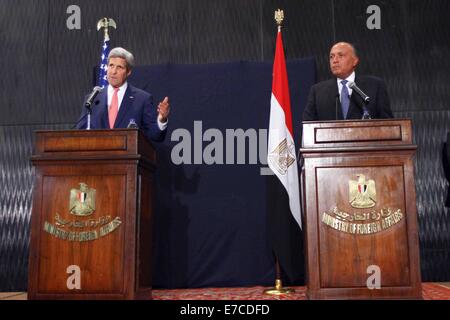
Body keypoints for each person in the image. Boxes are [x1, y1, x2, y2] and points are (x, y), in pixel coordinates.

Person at [76, 47, 170, 142]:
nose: (113, 71)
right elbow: (79, 133)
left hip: (128, 155)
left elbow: (155, 135)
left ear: (128, 72)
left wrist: (161, 119)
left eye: (119, 67)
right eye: (111, 66)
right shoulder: (92, 99)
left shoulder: (142, 99)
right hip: (98, 154)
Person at [302, 42, 393, 121]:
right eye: (331, 57)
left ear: (355, 61)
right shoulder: (317, 91)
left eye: (340, 55)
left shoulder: (375, 86)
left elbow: (388, 123)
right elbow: (307, 126)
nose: (335, 60)